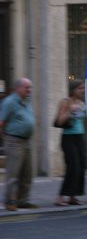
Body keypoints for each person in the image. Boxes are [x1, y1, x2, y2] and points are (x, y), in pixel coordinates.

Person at [0, 78, 38, 211]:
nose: (29, 90)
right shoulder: (9, 102)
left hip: (26, 141)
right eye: (27, 87)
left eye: (30, 87)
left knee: (27, 173)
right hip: (13, 141)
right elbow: (1, 122)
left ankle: (22, 200)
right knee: (13, 173)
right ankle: (10, 201)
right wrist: (6, 140)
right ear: (18, 88)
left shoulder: (27, 101)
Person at [54, 80, 87, 206]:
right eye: (80, 88)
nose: (82, 91)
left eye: (83, 88)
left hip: (80, 136)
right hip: (68, 138)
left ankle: (73, 196)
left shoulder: (81, 103)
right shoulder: (65, 102)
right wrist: (70, 111)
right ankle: (60, 197)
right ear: (73, 89)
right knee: (72, 167)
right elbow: (59, 121)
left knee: (81, 167)